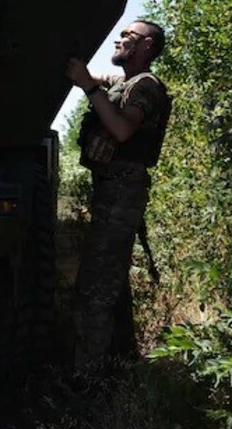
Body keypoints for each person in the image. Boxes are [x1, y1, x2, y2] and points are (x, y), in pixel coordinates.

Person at [64, 19, 173, 372]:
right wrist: (80, 74)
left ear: (146, 47)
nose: (119, 39)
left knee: (94, 288)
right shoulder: (125, 82)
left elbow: (123, 129)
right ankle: (121, 363)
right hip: (114, 191)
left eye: (128, 36)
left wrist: (87, 87)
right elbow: (98, 80)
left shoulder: (146, 86)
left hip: (122, 192)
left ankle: (88, 379)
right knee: (111, 282)